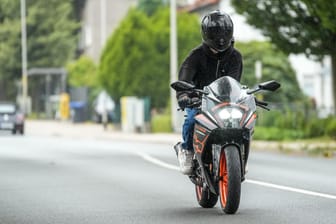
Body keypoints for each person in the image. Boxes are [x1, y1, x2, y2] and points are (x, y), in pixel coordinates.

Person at [174, 10, 243, 175]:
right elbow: (184, 78)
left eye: (224, 33)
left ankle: (240, 154)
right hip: (198, 101)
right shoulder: (195, 56)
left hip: (225, 103)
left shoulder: (236, 57)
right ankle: (187, 151)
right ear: (207, 34)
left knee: (244, 122)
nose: (220, 38)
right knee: (191, 120)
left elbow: (234, 83)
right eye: (216, 33)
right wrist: (183, 95)